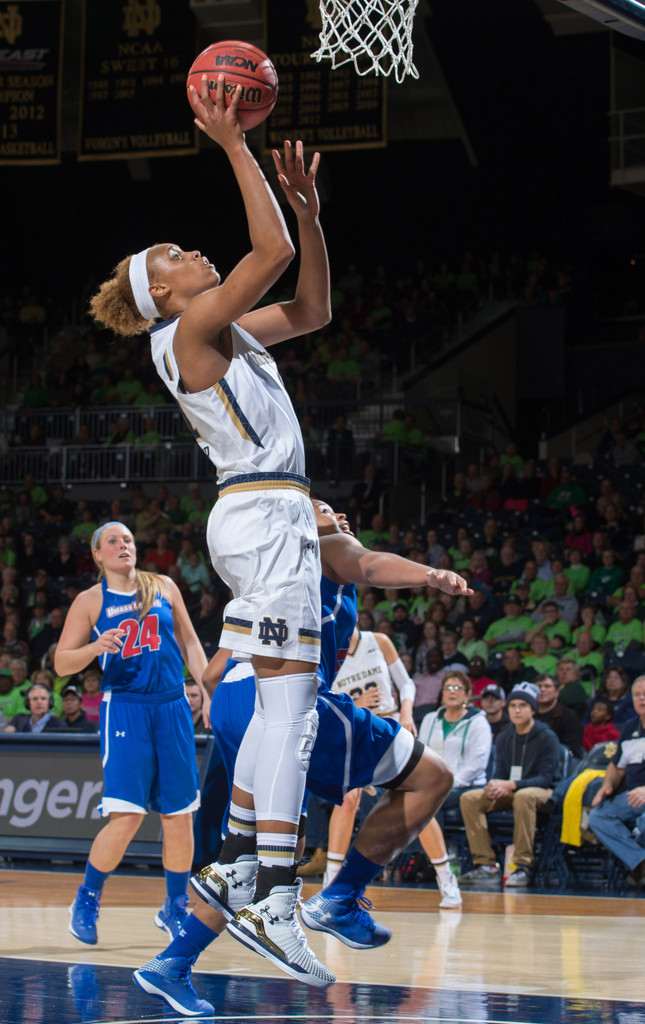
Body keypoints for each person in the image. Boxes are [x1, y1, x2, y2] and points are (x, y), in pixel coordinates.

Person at [89, 76, 335, 984]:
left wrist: (308, 215)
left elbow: (311, 308)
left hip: (266, 512)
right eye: (176, 254)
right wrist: (234, 145)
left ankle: (239, 861)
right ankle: (271, 889)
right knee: (292, 712)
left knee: (282, 708)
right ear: (161, 291)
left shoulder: (219, 327)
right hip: (262, 513)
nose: (194, 251)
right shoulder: (190, 329)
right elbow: (266, 253)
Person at [133, 499, 470, 1012]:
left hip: (237, 702)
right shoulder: (319, 546)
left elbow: (212, 673)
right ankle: (340, 897)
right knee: (432, 776)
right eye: (323, 507)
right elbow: (370, 565)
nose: (339, 515)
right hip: (285, 698)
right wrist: (430, 575)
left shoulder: (262, 574)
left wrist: (234, 717)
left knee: (258, 860)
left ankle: (171, 964)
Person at [54, 522, 208, 946]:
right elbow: (62, 663)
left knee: (179, 816)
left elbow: (191, 644)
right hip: (125, 708)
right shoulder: (90, 600)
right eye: (113, 541)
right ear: (97, 555)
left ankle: (175, 906)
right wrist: (94, 647)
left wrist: (209, 691)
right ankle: (87, 898)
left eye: (128, 540)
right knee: (128, 817)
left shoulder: (163, 586)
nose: (123, 545)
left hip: (172, 705)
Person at [459, 681, 560, 886]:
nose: (517, 710)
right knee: (470, 798)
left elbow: (546, 778)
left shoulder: (547, 737)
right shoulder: (504, 736)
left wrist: (512, 784)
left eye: (523, 706)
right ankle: (485, 865)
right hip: (511, 790)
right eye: (513, 706)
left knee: (524, 796)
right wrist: (495, 785)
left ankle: (522, 865)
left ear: (533, 709)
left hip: (543, 792)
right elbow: (499, 773)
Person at [417, 670, 493, 908]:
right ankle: (421, 858)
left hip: (466, 785)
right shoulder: (430, 719)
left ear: (468, 695)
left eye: (458, 688)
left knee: (429, 802)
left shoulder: (478, 722)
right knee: (408, 797)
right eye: (448, 687)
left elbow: (477, 763)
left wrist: (449, 783)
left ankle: (432, 861)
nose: (452, 692)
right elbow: (421, 751)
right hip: (432, 784)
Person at [588, 675, 645, 882]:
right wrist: (607, 786)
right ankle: (640, 861)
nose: (642, 699)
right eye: (637, 695)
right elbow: (616, 766)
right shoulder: (630, 728)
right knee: (598, 816)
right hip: (632, 796)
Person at [534, 673, 583, 758]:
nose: (542, 689)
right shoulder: (526, 716)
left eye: (547, 686)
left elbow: (572, 752)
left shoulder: (569, 717)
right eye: (538, 686)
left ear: (556, 692)